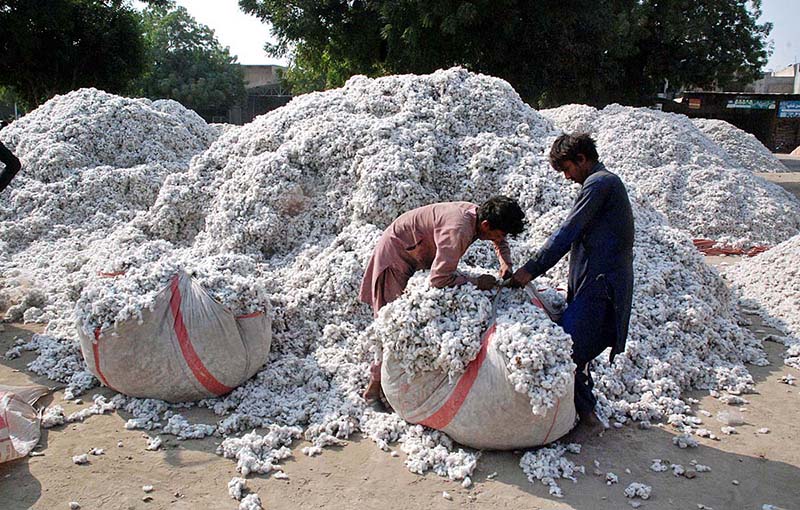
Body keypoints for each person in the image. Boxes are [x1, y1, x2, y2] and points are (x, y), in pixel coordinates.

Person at [511, 133, 634, 438]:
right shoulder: (601, 184)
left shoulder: (600, 183)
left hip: (600, 286)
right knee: (571, 349)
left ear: (582, 159)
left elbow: (567, 233)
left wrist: (530, 270)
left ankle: (588, 417)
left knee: (565, 348)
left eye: (567, 169)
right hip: (594, 283)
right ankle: (584, 412)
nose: (566, 178)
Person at [360, 196, 526, 406]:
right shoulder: (458, 229)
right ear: (486, 225)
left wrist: (506, 263)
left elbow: (500, 240)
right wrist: (477, 282)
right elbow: (439, 279)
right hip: (396, 257)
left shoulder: (480, 216)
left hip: (415, 250)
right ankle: (373, 390)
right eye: (499, 233)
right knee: (392, 326)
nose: (500, 238)